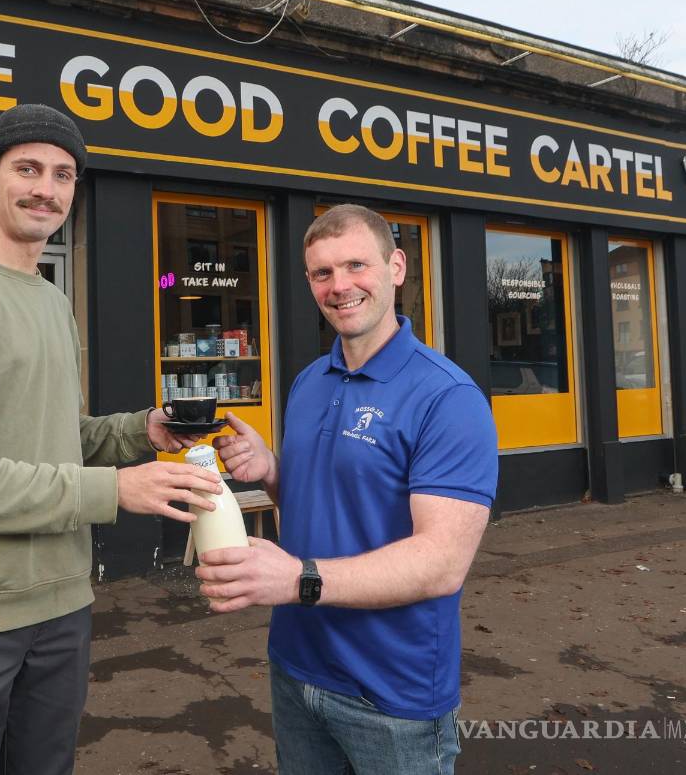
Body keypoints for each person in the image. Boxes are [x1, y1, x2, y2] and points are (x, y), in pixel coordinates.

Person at [0, 103, 219, 775]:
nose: (47, 189)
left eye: (63, 175)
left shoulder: (50, 300)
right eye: (28, 169)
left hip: (62, 604)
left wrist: (139, 432)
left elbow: (58, 438)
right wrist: (115, 489)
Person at [197, 204, 498, 775]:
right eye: (322, 272)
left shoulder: (448, 399)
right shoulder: (309, 383)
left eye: (356, 265)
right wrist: (271, 471)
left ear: (396, 267)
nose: (339, 286)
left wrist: (298, 579)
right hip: (296, 667)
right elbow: (315, 508)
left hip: (391, 692)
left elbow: (442, 563)